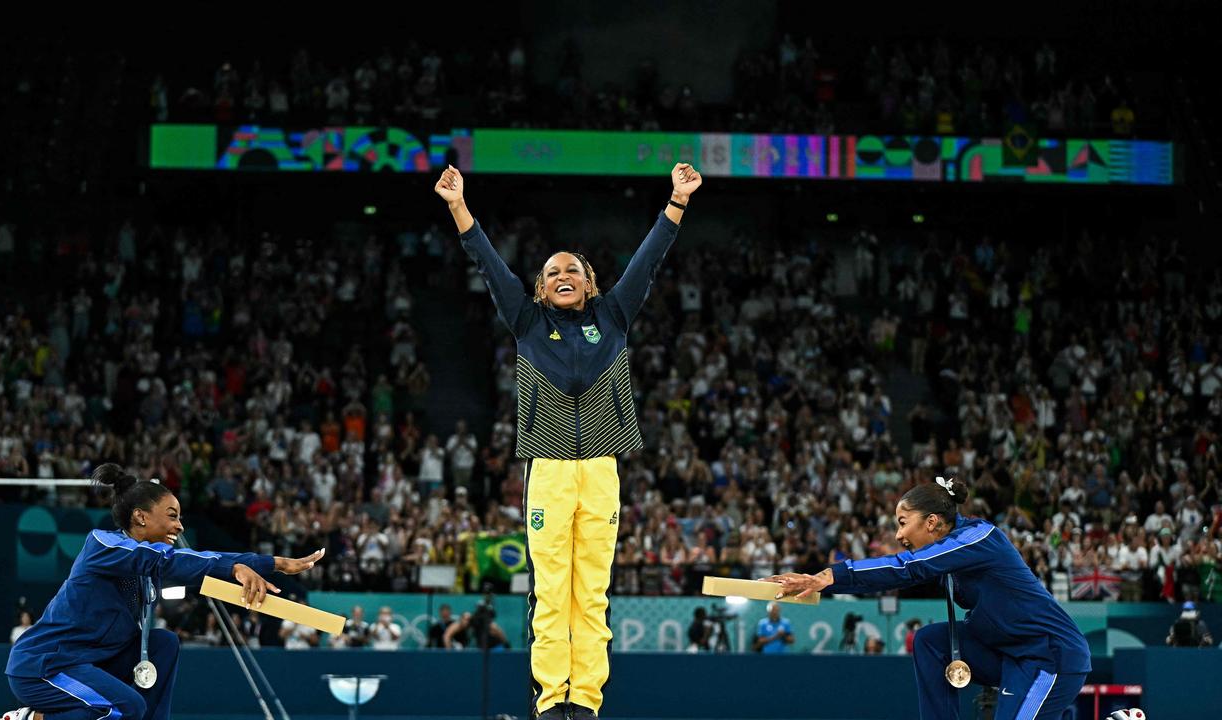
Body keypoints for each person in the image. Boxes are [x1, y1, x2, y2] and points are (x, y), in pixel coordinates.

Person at [436, 161, 702, 720]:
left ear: (590, 283)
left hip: (601, 467)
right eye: (553, 270)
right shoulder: (527, 321)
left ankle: (585, 701)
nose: (563, 274)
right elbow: (487, 264)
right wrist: (460, 206)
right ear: (539, 286)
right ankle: (551, 699)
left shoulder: (613, 316)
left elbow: (647, 261)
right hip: (549, 468)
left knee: (594, 591)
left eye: (574, 270)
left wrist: (675, 202)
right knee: (551, 590)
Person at [3, 464, 324, 720]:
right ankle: (34, 718)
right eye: (172, 516)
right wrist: (250, 564)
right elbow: (168, 561)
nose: (180, 526)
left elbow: (189, 572)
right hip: (45, 665)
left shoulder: (146, 572)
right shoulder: (102, 544)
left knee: (164, 643)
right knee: (126, 707)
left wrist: (265, 571)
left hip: (93, 663)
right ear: (140, 516)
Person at [766, 477, 1090, 720]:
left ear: (932, 522)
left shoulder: (979, 537)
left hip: (1049, 656)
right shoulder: (950, 550)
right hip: (1008, 652)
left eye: (903, 523)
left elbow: (906, 569)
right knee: (929, 642)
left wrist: (828, 577)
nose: (898, 535)